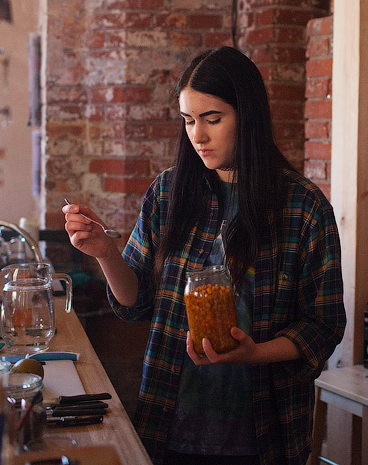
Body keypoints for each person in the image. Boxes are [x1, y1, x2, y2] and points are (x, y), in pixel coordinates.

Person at [64, 46, 347, 465]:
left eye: (213, 119)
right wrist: (106, 253)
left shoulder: (302, 206)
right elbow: (135, 302)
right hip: (169, 420)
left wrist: (254, 353)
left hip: (262, 431)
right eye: (189, 121)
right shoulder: (169, 192)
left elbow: (323, 326)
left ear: (247, 116)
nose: (198, 135)